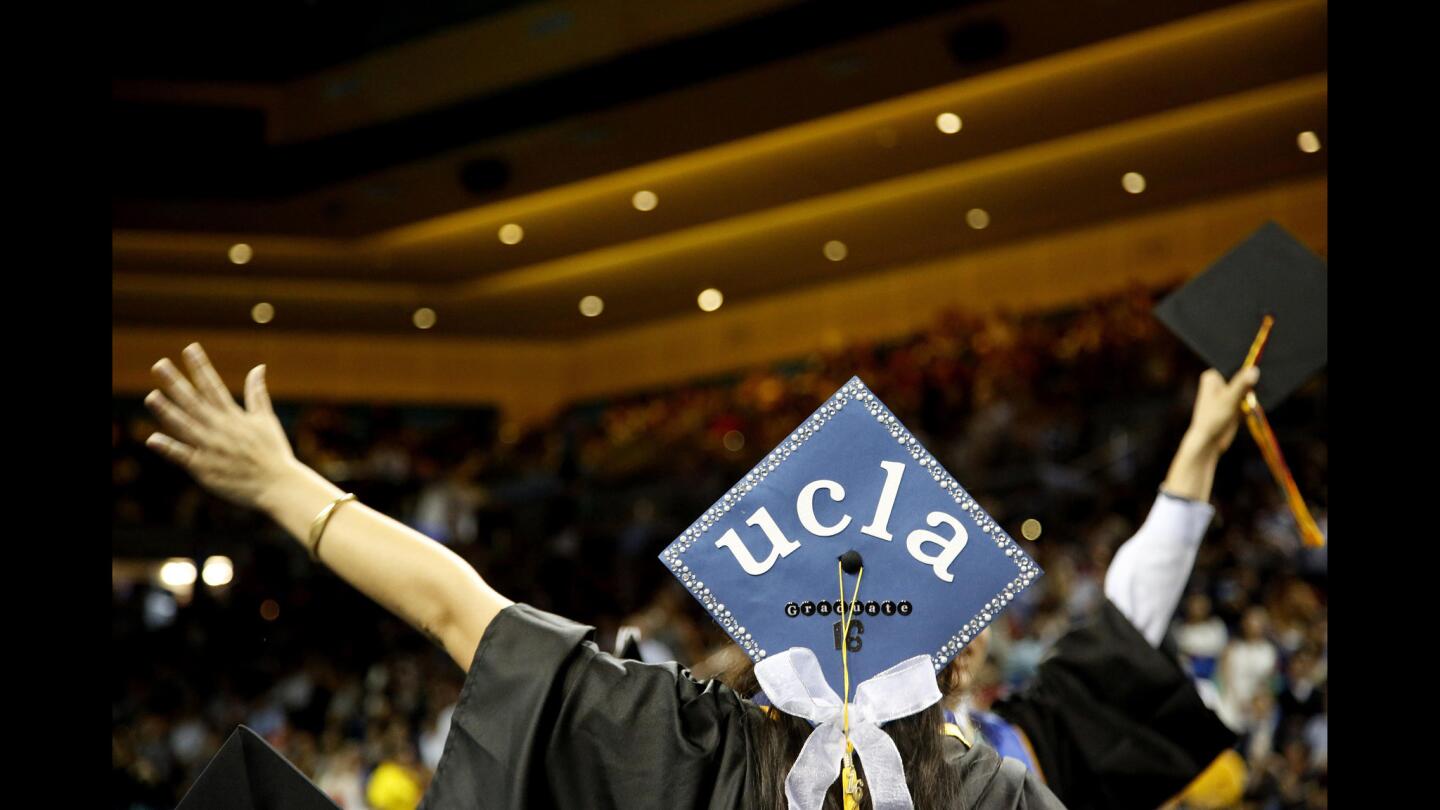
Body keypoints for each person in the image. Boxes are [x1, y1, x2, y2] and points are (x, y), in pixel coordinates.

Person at [143, 344, 1248, 809]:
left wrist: (286, 483)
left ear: (760, 634)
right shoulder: (992, 790)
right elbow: (1125, 624)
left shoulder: (683, 742)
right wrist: (1195, 454)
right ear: (959, 646)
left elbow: (456, 608)